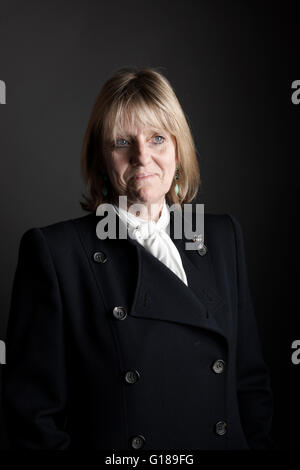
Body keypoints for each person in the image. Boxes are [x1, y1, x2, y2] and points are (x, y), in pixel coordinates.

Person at [2, 67, 273, 450]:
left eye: (158, 138)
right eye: (122, 142)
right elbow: (33, 419)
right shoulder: (56, 252)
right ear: (102, 157)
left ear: (178, 150)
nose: (142, 157)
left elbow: (249, 381)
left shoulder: (222, 236)